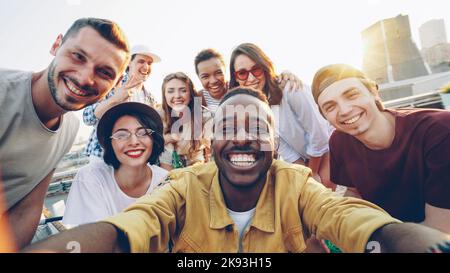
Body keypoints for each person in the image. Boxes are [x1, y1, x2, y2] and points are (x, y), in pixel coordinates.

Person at [23, 88, 450, 253]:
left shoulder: (296, 183)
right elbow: (136, 223)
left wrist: (401, 239)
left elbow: (348, 217)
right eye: (228, 126)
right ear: (212, 140)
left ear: (274, 141)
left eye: (257, 127)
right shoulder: (182, 185)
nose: (242, 138)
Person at [0, 17, 130, 248]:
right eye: (78, 56)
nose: (84, 78)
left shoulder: (70, 128)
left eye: (104, 72)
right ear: (56, 45)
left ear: (117, 83)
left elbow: (28, 208)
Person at [311, 63, 450, 233]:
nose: (345, 110)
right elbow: (354, 193)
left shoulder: (440, 131)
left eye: (352, 95)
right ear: (325, 116)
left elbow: (439, 231)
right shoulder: (340, 142)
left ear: (373, 92)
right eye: (330, 106)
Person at [229, 43, 332, 182]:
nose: (251, 78)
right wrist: (304, 174)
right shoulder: (255, 107)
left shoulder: (290, 88)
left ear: (265, 67)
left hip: (329, 149)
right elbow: (283, 146)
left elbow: (318, 134)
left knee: (323, 195)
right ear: (235, 78)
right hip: (306, 157)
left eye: (256, 69)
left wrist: (312, 172)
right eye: (242, 73)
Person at [63, 102, 167, 227]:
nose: (134, 142)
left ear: (154, 139)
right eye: (121, 135)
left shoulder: (166, 182)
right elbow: (93, 238)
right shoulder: (90, 178)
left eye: (143, 133)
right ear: (110, 144)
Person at [83, 44, 161, 162]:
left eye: (149, 63)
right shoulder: (111, 84)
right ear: (129, 63)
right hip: (103, 157)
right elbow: (87, 117)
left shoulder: (150, 98)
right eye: (141, 61)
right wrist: (115, 99)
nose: (146, 67)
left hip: (131, 161)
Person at [194, 48, 303, 114]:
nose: (213, 80)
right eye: (205, 76)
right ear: (198, 77)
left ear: (226, 71)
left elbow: (266, 79)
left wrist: (286, 73)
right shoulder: (200, 98)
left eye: (218, 73)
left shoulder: (237, 89)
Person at [158, 72, 209, 170]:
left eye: (183, 90)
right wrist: (169, 138)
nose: (177, 96)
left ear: (190, 94)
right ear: (164, 95)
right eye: (170, 91)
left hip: (195, 168)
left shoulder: (203, 115)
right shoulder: (159, 116)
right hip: (166, 168)